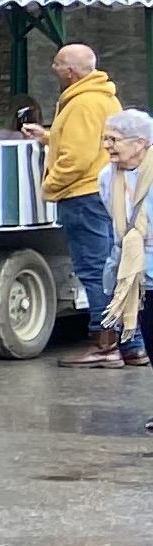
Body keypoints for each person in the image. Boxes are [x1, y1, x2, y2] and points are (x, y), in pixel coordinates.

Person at [25, 43, 127, 363]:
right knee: (112, 268)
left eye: (57, 64)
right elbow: (91, 140)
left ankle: (105, 344)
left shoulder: (81, 103)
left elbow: (77, 158)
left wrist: (49, 186)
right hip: (105, 192)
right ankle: (131, 344)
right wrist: (46, 136)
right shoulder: (105, 97)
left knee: (94, 271)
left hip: (82, 196)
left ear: (70, 72)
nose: (52, 68)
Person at [104, 111, 153, 365]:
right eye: (105, 139)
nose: (106, 145)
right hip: (137, 276)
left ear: (139, 143)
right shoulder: (107, 177)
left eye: (114, 139)